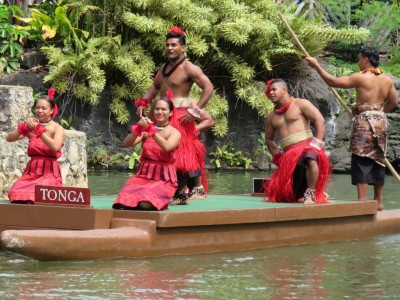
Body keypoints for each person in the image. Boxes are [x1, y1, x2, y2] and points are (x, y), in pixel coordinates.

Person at [306, 46, 398, 210]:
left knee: (361, 158)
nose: (358, 62)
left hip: (365, 123)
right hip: (381, 123)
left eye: (359, 58)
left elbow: (333, 82)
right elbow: (393, 103)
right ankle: (378, 201)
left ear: (366, 60)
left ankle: (362, 201)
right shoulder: (387, 79)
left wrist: (316, 66)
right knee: (378, 158)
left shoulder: (360, 77)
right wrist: (378, 110)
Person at [135, 26, 214, 203]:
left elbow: (208, 88)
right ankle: (175, 190)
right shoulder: (163, 68)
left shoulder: (189, 68)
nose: (170, 48)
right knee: (163, 153)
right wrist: (144, 102)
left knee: (182, 154)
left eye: (174, 45)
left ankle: (190, 191)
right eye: (167, 45)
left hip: (181, 116)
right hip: (164, 114)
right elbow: (155, 87)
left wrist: (195, 111)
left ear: (183, 47)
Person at [263, 79, 331, 204]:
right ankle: (315, 192)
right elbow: (269, 139)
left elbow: (319, 120)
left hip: (307, 146)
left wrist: (316, 144)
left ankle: (311, 193)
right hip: (289, 154)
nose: (270, 93)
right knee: (288, 197)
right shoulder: (271, 117)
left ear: (284, 90)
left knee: (310, 158)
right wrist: (277, 157)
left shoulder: (301, 104)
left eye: (274, 89)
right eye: (269, 91)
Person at [112, 97, 181, 210]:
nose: (159, 112)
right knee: (123, 202)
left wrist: (151, 130)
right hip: (142, 176)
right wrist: (139, 129)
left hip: (163, 179)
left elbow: (167, 147)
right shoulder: (146, 130)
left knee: (145, 204)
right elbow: (127, 143)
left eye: (163, 109)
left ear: (171, 113)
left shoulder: (175, 133)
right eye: (157, 109)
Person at [6, 88, 64, 204]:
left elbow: (55, 147)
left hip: (49, 173)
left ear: (51, 110)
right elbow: (9, 138)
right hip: (31, 172)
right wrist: (22, 129)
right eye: (37, 107)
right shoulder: (31, 125)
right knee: (16, 191)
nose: (39, 111)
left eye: (44, 108)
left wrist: (38, 130)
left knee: (37, 194)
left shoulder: (57, 128)